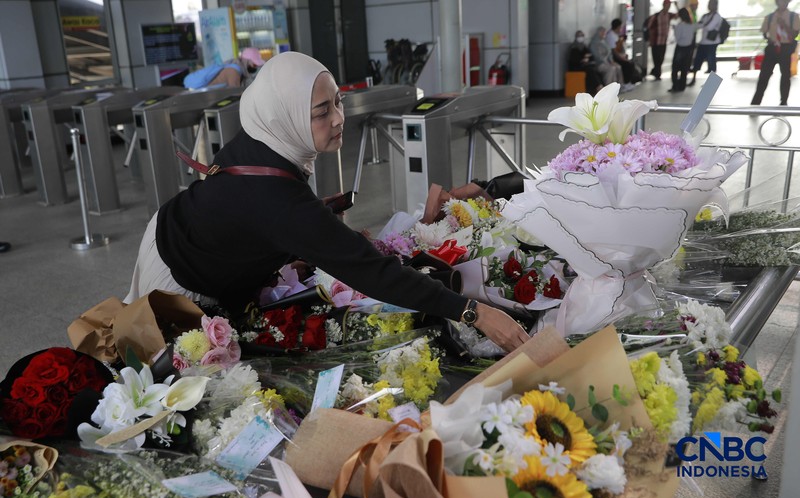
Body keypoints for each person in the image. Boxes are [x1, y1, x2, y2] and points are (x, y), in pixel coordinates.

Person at [125, 51, 529, 352]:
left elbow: (252, 219)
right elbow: (369, 271)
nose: (338, 118)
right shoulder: (276, 199)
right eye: (321, 111)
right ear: (285, 115)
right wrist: (473, 312)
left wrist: (291, 247)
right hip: (180, 277)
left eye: (338, 101)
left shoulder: (263, 137)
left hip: (177, 227)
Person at [751, 0, 800, 106]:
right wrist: (771, 38)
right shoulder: (769, 17)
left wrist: (784, 25)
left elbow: (795, 34)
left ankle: (783, 102)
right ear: (777, 2)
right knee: (764, 75)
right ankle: (755, 102)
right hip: (772, 48)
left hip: (786, 48)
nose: (784, 3)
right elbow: (764, 33)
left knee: (785, 76)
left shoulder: (794, 16)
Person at [183, 47, 266, 89]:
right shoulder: (234, 71)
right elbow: (236, 94)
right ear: (246, 61)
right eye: (254, 65)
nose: (254, 68)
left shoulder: (236, 67)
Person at [688, 0, 723, 86]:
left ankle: (711, 84)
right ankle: (693, 80)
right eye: (709, 4)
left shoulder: (717, 16)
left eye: (711, 4)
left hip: (712, 43)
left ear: (715, 5)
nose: (709, 5)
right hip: (703, 42)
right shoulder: (705, 16)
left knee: (711, 63)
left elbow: (709, 27)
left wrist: (702, 25)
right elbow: (699, 25)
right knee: (697, 61)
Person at [646, 0, 678, 80]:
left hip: (663, 41)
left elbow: (678, 15)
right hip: (656, 41)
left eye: (669, 6)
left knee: (661, 58)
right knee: (657, 58)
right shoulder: (656, 16)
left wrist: (677, 6)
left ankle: (655, 72)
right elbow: (649, 26)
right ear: (663, 5)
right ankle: (657, 74)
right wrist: (650, 38)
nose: (668, 7)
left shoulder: (669, 15)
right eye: (667, 5)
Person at [606, 19, 640, 87]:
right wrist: (622, 58)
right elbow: (613, 51)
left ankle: (629, 82)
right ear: (618, 27)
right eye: (620, 27)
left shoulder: (616, 35)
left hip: (619, 55)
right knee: (627, 65)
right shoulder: (610, 36)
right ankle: (625, 83)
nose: (621, 29)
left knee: (631, 63)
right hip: (614, 57)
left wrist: (624, 55)